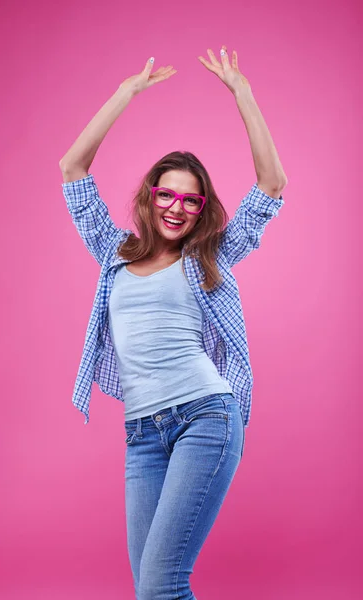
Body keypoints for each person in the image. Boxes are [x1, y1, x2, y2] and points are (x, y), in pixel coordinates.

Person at [59, 46, 287, 600]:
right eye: (167, 194)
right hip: (142, 434)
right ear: (149, 196)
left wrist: (244, 96)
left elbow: (271, 185)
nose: (177, 207)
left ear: (202, 207)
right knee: (150, 589)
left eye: (191, 199)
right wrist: (126, 93)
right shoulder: (114, 253)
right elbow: (72, 168)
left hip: (204, 418)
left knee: (162, 583)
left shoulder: (212, 256)